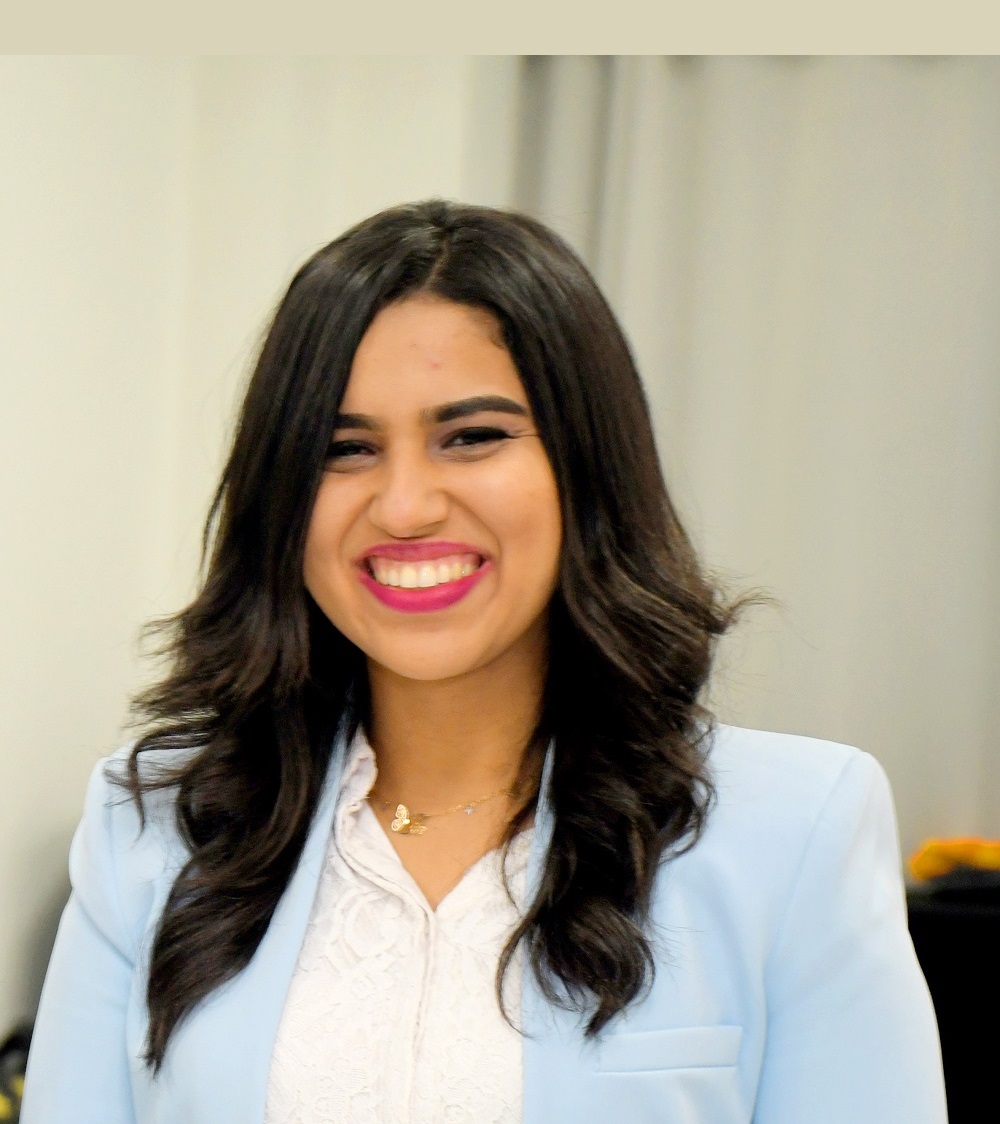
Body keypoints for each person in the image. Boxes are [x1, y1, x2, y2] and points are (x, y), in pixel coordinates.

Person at [21, 200, 947, 1124]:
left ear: (588, 467)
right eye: (344, 450)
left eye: (472, 437)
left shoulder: (794, 829)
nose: (405, 506)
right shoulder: (149, 829)